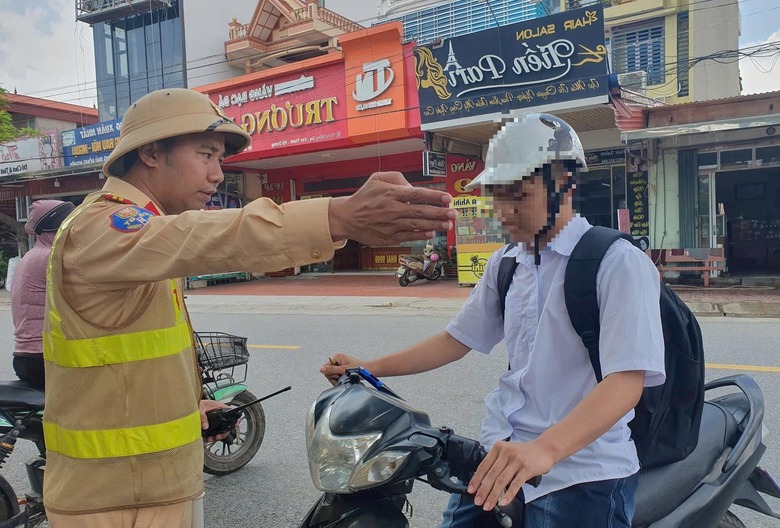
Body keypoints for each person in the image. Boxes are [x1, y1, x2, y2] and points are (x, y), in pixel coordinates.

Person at [42, 88, 456, 528]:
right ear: (150, 153)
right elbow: (209, 236)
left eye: (220, 159)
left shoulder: (138, 233)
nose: (218, 174)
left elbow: (127, 367)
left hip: (145, 487)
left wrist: (191, 407)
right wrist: (336, 216)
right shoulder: (104, 225)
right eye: (206, 154)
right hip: (117, 501)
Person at [321, 113, 665, 528]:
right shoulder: (506, 263)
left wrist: (546, 450)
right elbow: (456, 339)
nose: (503, 210)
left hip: (583, 472)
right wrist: (369, 368)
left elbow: (626, 382)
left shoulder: (618, 262)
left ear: (565, 184)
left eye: (518, 194)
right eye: (496, 195)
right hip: (498, 459)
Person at [10, 200, 74, 389]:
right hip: (43, 356)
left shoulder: (33, 255)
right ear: (59, 228)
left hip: (28, 356)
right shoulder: (50, 258)